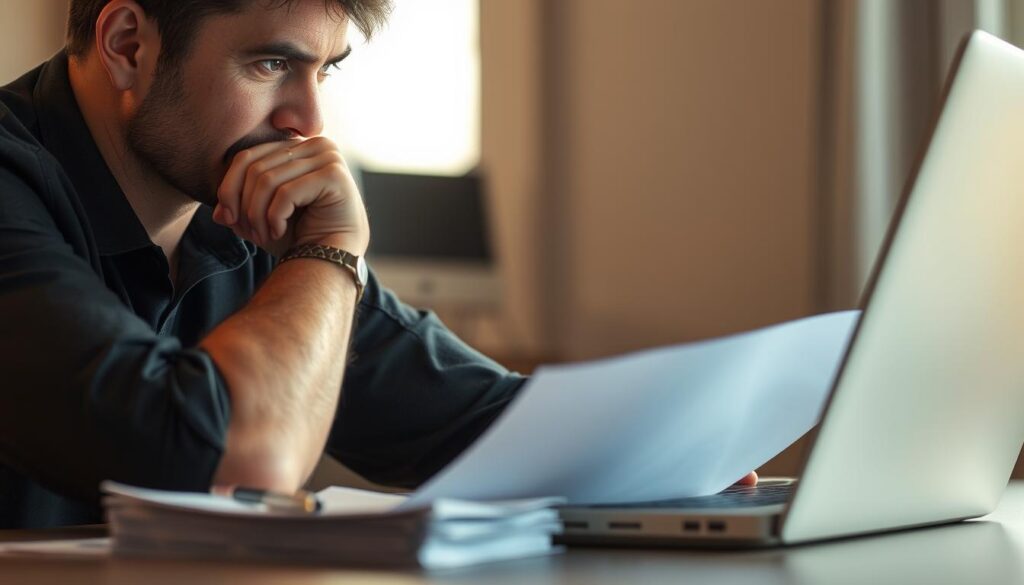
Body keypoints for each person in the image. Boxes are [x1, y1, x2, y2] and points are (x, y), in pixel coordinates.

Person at [0, 0, 755, 529]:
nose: (308, 121)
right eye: (270, 63)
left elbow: (474, 422)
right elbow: (230, 459)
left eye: (325, 70)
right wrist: (330, 250)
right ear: (128, 43)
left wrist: (669, 452)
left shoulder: (241, 211)